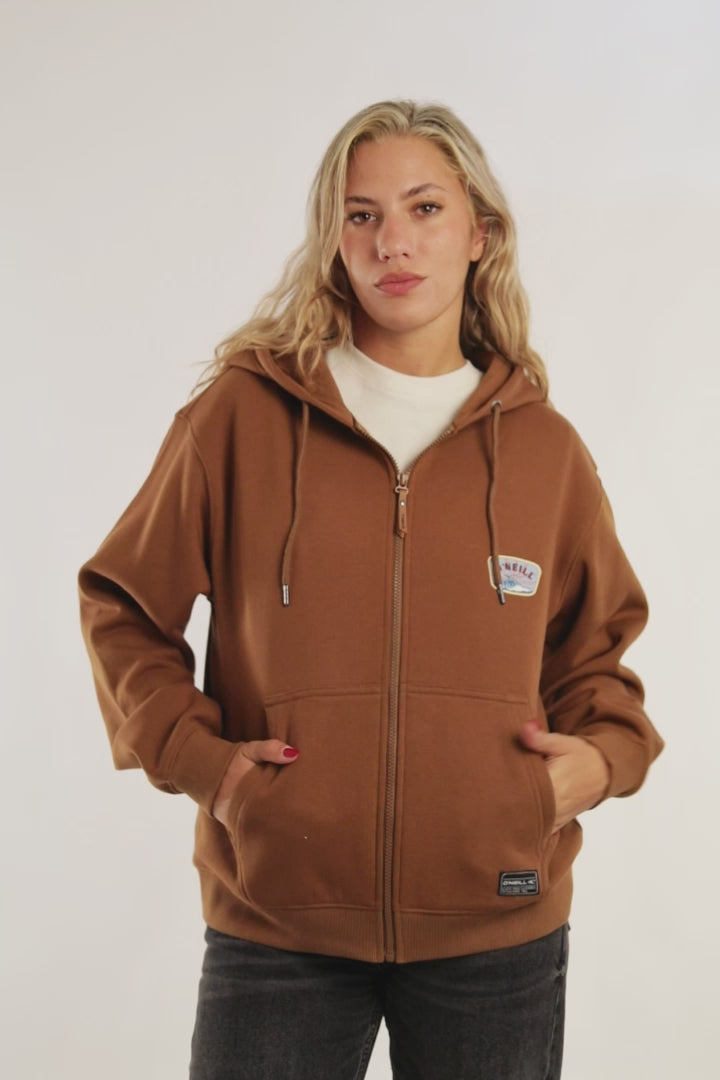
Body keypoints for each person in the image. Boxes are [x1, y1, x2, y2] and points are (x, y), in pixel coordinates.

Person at [77, 98, 664, 1079]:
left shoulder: (544, 450)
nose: (393, 241)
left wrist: (594, 767)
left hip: (497, 936)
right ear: (333, 239)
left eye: (425, 208)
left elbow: (597, 657)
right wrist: (210, 768)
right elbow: (123, 605)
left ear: (479, 233)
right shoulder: (242, 417)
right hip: (278, 929)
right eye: (362, 214)